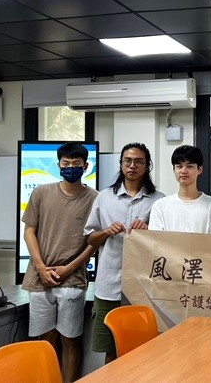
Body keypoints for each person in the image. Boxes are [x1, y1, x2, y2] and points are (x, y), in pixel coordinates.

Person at [22, 142, 98, 383]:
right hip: (39, 279)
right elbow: (29, 231)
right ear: (58, 165)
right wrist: (41, 268)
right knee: (46, 341)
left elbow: (94, 242)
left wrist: (69, 268)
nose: (71, 168)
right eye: (66, 163)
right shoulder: (41, 193)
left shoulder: (95, 198)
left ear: (85, 166)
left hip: (72, 280)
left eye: (76, 164)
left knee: (70, 340)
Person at [85, 143, 164, 364]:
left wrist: (149, 231)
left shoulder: (159, 200)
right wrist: (105, 232)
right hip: (108, 286)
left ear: (147, 166)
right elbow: (89, 238)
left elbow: (165, 245)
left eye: (139, 162)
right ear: (121, 164)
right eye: (127, 161)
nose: (132, 166)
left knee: (143, 351)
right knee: (111, 350)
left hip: (144, 288)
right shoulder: (104, 197)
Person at [150, 144, 211, 233]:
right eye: (179, 166)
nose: (184, 171)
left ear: (200, 169)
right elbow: (155, 239)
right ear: (174, 170)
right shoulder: (160, 206)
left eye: (189, 166)